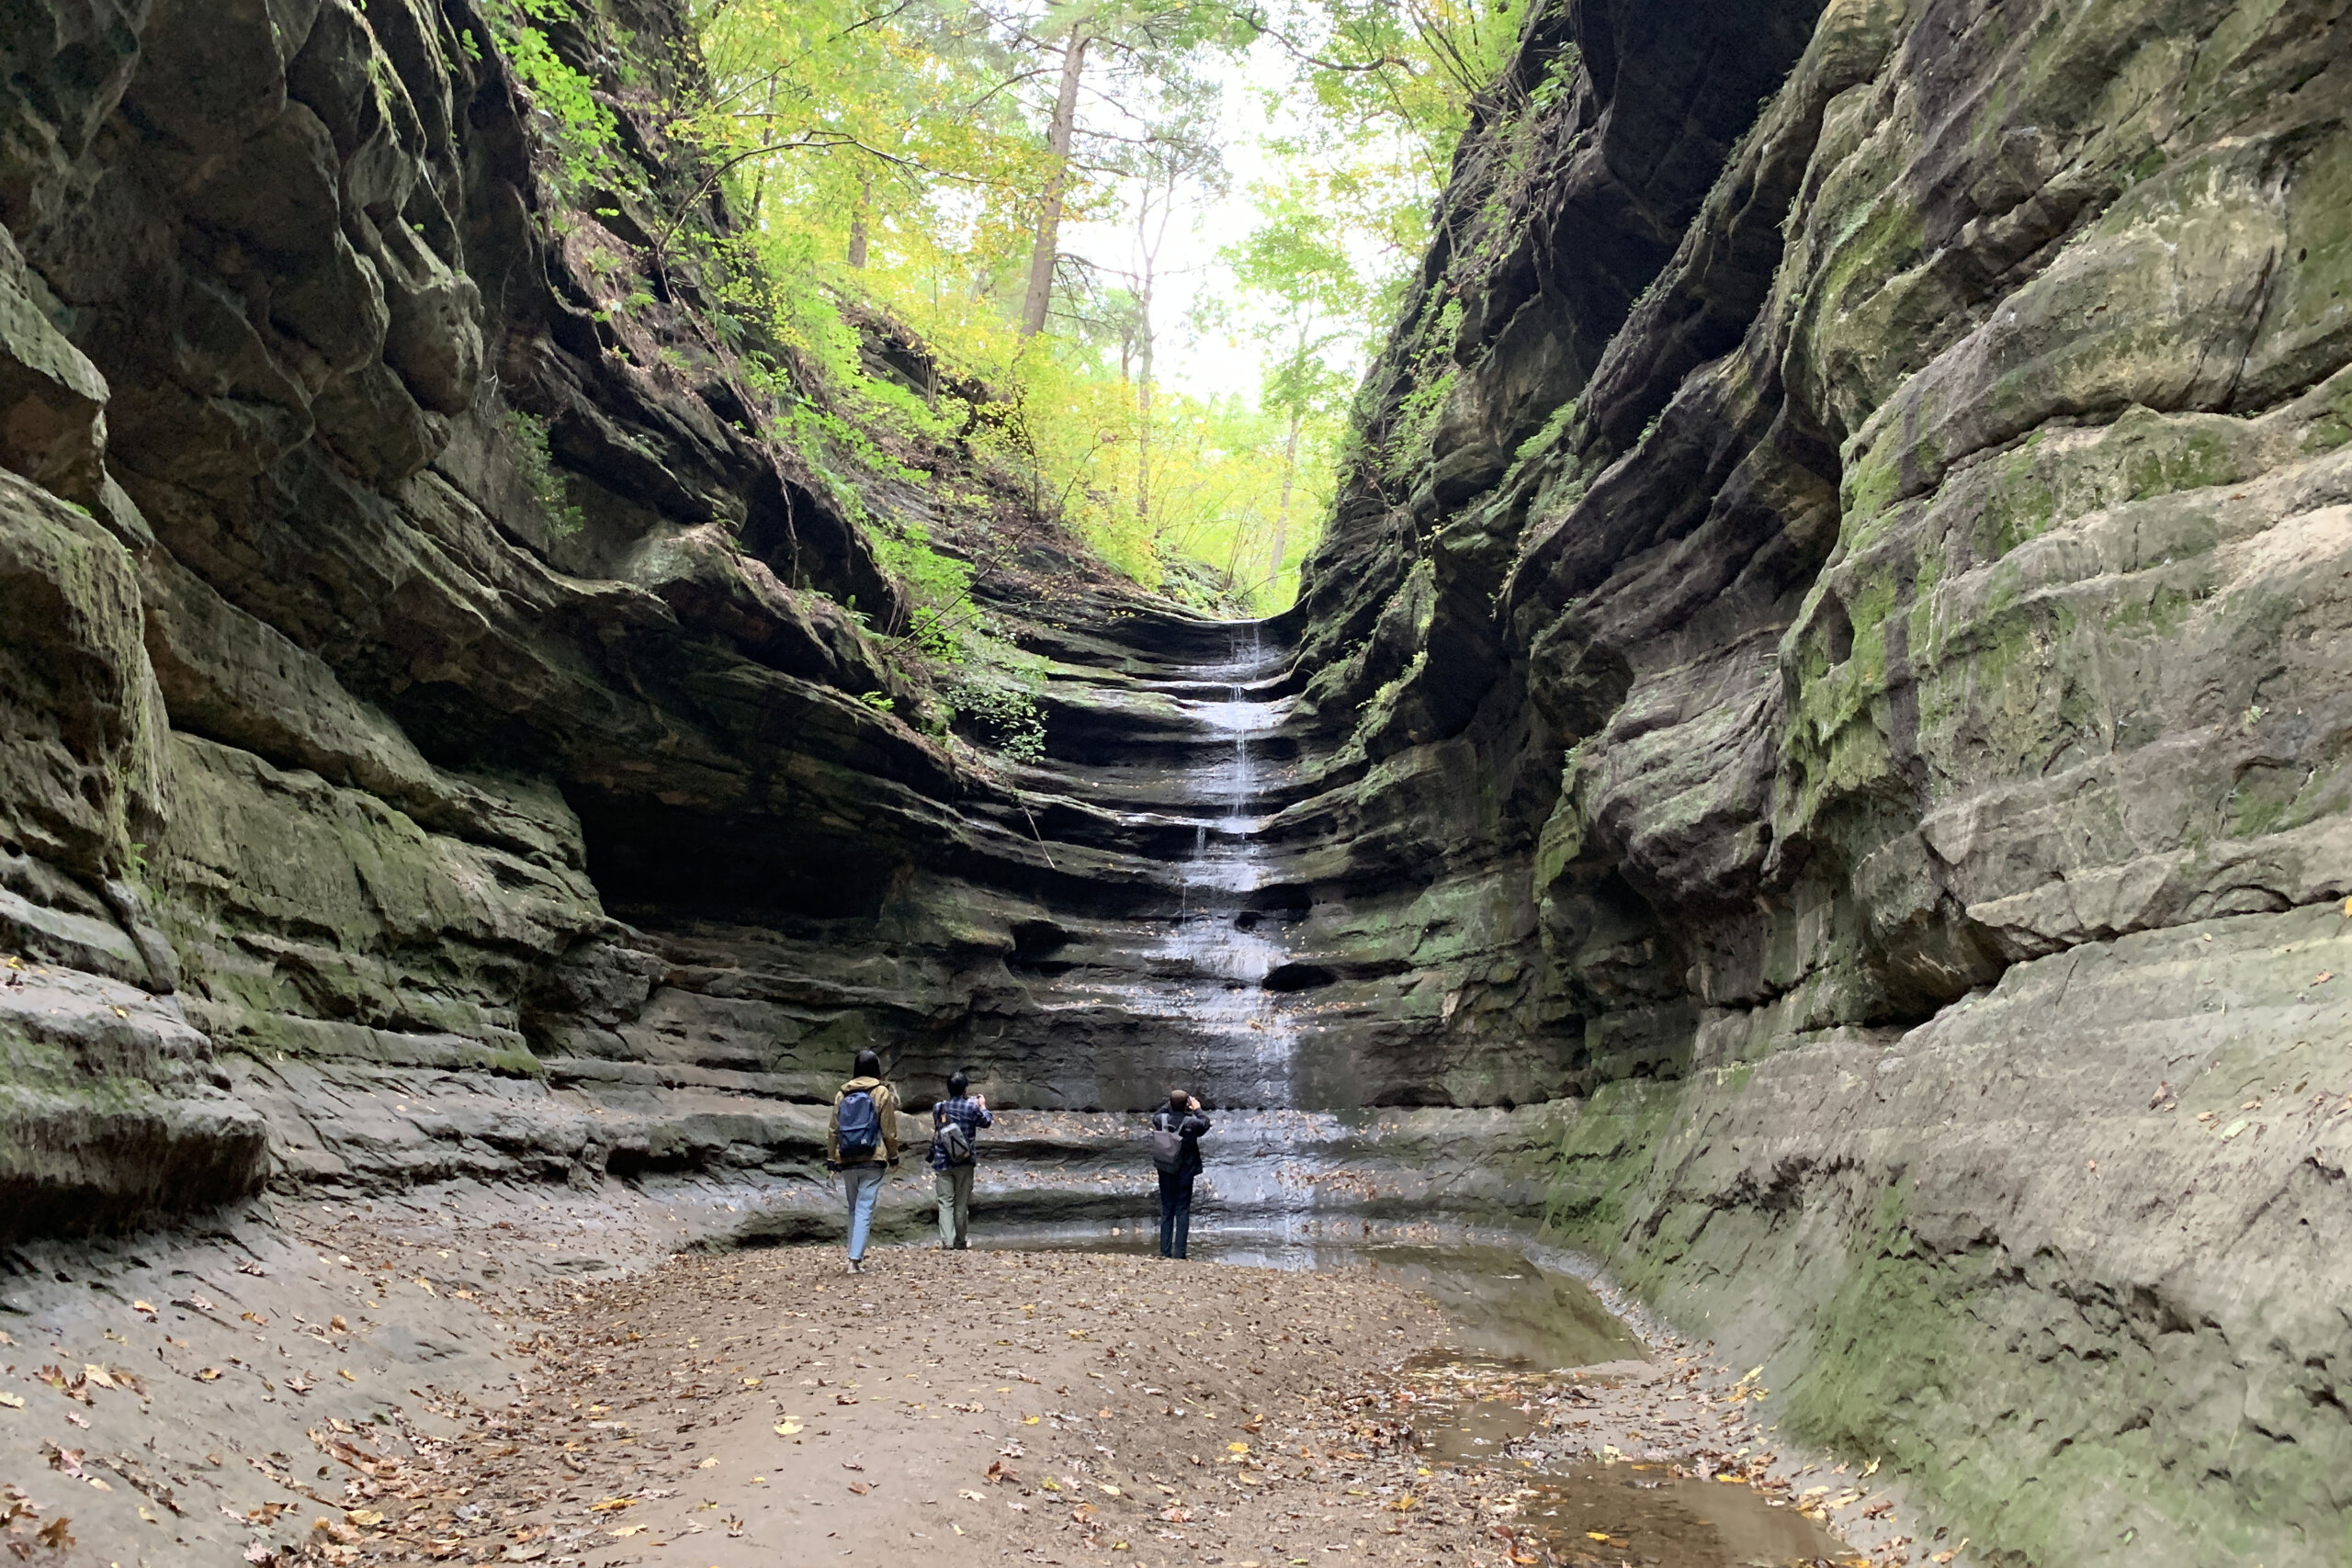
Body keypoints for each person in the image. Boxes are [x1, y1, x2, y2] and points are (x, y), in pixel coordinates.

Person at [828, 1050, 899, 1273]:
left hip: (847, 1157)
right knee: (865, 1208)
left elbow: (833, 1129)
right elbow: (888, 1131)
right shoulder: (881, 1093)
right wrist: (893, 1155)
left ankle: (853, 1255)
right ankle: (854, 1260)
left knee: (853, 1208)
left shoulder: (842, 1094)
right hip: (872, 1157)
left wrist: (831, 1157)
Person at [929, 1068, 992, 1249]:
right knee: (961, 1203)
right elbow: (986, 1122)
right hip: (964, 1161)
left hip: (942, 1161)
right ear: (965, 1089)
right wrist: (982, 1105)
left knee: (945, 1202)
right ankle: (960, 1241)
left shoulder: (938, 1108)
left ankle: (947, 1241)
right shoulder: (972, 1107)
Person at [1149, 1089, 1211, 1260]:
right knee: (1182, 1210)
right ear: (1186, 1105)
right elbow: (1205, 1123)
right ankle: (1180, 1253)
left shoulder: (1160, 1120)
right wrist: (1197, 1108)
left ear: (1169, 1103)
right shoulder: (1192, 1123)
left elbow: (1159, 1112)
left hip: (1166, 1169)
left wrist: (1171, 1104)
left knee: (1167, 1210)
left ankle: (1164, 1252)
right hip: (1185, 1172)